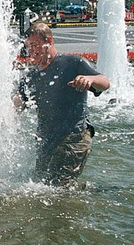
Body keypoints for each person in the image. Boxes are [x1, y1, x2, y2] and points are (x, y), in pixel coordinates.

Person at [14, 22, 110, 187]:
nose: (31, 51)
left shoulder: (73, 63)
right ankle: (86, 190)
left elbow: (105, 82)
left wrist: (90, 79)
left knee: (58, 188)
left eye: (35, 45)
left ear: (49, 41)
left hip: (74, 136)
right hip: (46, 141)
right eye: (28, 47)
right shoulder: (31, 77)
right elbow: (17, 105)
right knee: (40, 185)